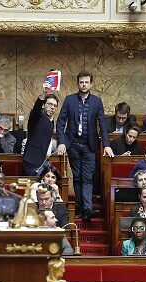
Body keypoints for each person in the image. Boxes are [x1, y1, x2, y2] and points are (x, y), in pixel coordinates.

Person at [55, 71, 112, 221]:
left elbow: (102, 124)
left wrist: (106, 145)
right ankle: (82, 208)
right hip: (72, 144)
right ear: (78, 83)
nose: (84, 85)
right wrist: (61, 141)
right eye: (81, 82)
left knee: (87, 177)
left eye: (87, 82)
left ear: (91, 84)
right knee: (78, 177)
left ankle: (87, 208)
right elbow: (60, 123)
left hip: (89, 145)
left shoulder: (96, 101)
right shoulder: (69, 100)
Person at [22, 90, 59, 176]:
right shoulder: (37, 117)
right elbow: (35, 109)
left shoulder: (51, 121)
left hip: (44, 161)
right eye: (49, 104)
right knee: (38, 187)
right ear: (43, 105)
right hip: (33, 161)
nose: (52, 107)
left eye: (54, 105)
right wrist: (42, 96)